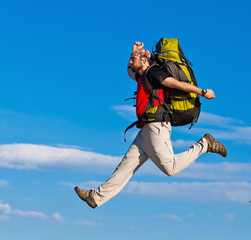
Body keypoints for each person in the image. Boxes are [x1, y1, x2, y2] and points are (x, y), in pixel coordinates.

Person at [74, 42, 227, 209]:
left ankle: (205, 144)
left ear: (144, 60)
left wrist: (202, 91)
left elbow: (175, 84)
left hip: (157, 127)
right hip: (146, 129)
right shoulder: (142, 75)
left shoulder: (154, 73)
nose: (131, 63)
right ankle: (96, 197)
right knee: (125, 167)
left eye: (134, 60)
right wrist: (133, 52)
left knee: (171, 168)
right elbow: (128, 71)